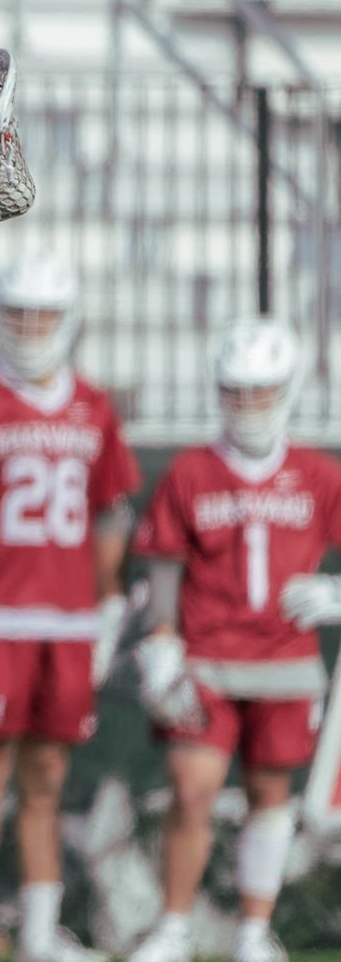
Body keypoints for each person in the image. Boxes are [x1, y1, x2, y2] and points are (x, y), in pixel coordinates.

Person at [0, 257, 138, 962]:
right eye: (19, 314)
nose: (31, 328)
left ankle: (41, 930)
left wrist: (107, 604)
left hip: (69, 617)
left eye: (43, 315)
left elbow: (111, 513)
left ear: (69, 318)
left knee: (48, 780)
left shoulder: (95, 405)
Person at [124, 318, 341, 962]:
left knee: (271, 797)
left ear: (288, 391)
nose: (248, 406)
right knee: (192, 789)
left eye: (261, 392)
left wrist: (336, 593)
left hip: (285, 661)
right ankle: (172, 926)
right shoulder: (191, 470)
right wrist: (161, 641)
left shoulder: (319, 474)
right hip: (208, 657)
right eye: (236, 392)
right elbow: (163, 563)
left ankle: (253, 929)